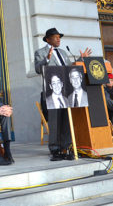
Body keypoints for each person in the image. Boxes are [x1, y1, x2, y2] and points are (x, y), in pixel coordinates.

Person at [34, 27, 91, 161]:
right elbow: (38, 69)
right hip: (52, 91)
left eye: (59, 37)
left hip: (67, 91)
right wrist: (46, 60)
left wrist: (80, 59)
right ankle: (55, 149)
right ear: (48, 39)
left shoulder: (63, 52)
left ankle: (66, 147)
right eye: (56, 37)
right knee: (55, 121)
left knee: (66, 119)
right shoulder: (40, 52)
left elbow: (69, 68)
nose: (59, 39)